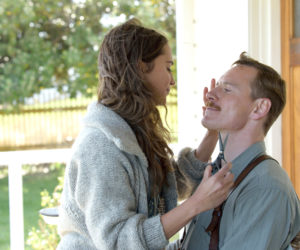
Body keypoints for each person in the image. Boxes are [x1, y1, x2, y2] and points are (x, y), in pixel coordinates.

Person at [57, 18, 234, 250]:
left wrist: (211, 134)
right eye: (168, 67)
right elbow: (119, 242)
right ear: (141, 67)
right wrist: (196, 204)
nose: (172, 80)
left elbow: (171, 186)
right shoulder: (101, 147)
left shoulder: (132, 130)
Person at [179, 53, 300, 250]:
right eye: (217, 85)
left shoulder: (266, 189)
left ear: (259, 108)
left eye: (226, 89)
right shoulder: (217, 174)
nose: (210, 94)